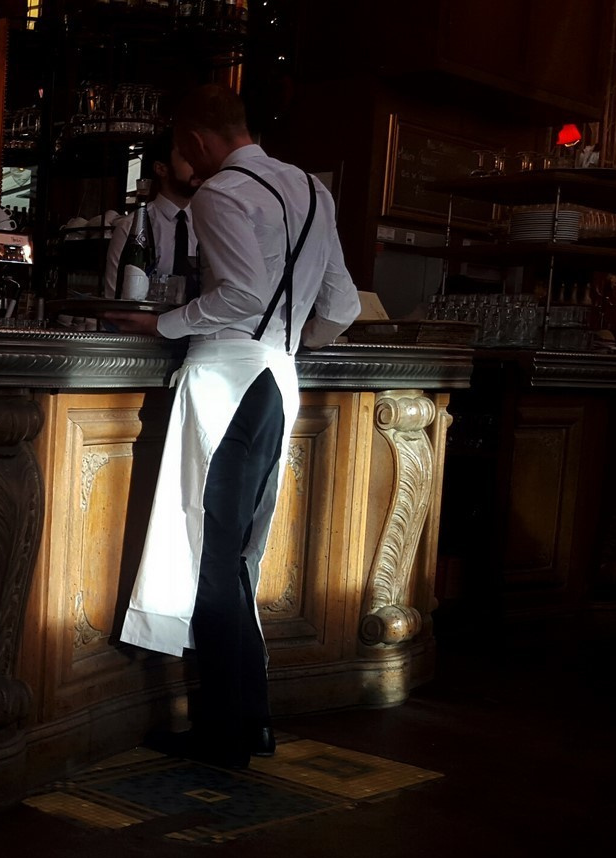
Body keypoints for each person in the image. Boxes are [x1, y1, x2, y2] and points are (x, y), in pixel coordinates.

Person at [106, 84, 360, 768]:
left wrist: (163, 324)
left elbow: (242, 293)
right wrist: (288, 341)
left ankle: (225, 734)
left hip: (226, 380)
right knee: (236, 555)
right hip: (278, 377)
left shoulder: (220, 193)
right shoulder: (313, 190)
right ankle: (250, 721)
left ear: (193, 141)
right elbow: (341, 305)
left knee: (213, 557)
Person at [103, 133, 199, 299]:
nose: (198, 166)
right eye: (188, 159)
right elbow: (115, 298)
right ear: (161, 168)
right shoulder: (131, 227)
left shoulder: (207, 225)